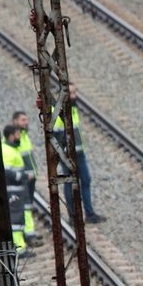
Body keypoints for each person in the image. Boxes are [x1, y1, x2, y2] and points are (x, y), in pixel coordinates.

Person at [53, 83, 104, 224]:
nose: (75, 96)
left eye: (75, 92)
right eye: (71, 93)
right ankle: (73, 216)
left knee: (85, 180)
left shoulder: (73, 109)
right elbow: (54, 136)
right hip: (67, 155)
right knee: (70, 182)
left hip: (79, 152)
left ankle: (89, 213)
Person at [0, 124, 32, 254]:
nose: (20, 137)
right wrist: (23, 176)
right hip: (13, 190)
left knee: (19, 218)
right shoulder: (7, 151)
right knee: (16, 219)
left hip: (18, 189)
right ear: (11, 136)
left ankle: (21, 247)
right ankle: (19, 250)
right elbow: (6, 172)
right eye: (18, 134)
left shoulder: (13, 148)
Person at [11, 111, 42, 247]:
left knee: (28, 205)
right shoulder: (15, 138)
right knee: (26, 206)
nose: (26, 122)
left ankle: (28, 232)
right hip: (24, 179)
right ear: (15, 121)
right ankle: (28, 235)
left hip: (30, 178)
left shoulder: (24, 136)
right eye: (23, 120)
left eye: (27, 120)